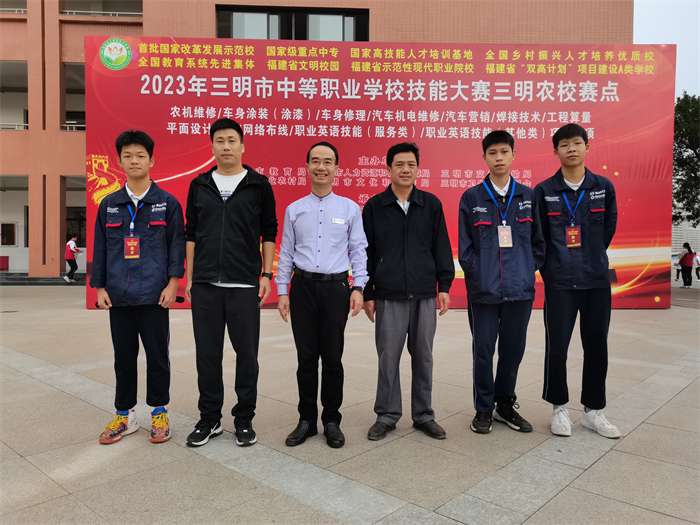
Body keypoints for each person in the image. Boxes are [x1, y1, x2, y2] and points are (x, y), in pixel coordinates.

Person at [185, 118, 278, 448]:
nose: (226, 146)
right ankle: (210, 418)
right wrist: (190, 276)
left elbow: (269, 230)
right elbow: (191, 231)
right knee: (207, 355)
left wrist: (266, 275)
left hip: (244, 284)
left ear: (242, 146)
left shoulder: (258, 184)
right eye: (220, 141)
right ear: (212, 146)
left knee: (246, 355)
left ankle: (243, 419)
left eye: (231, 140)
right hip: (206, 284)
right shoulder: (199, 184)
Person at [91, 129, 185, 444]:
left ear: (151, 161)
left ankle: (159, 412)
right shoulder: (108, 204)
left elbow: (176, 246)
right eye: (128, 156)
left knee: (158, 357)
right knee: (123, 357)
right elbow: (100, 248)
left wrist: (173, 283)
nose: (134, 161)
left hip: (155, 295)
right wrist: (99, 287)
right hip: (118, 295)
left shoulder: (167, 203)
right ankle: (125, 415)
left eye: (140, 156)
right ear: (119, 161)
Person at [276, 142, 368, 449]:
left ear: (336, 169)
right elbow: (286, 253)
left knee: (332, 357)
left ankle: (331, 420)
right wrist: (282, 291)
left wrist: (358, 287)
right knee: (305, 359)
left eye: (328, 162)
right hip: (302, 288)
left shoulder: (349, 209)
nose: (321, 167)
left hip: (335, 289)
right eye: (315, 161)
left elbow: (358, 251)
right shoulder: (295, 209)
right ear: (307, 167)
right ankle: (306, 420)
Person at [362, 142, 454, 442]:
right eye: (399, 164)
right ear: (388, 168)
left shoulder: (431, 204)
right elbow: (366, 253)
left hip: (424, 293)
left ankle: (424, 415)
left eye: (411, 164)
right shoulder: (375, 207)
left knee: (424, 357)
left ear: (418, 168)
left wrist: (444, 286)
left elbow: (441, 248)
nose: (405, 170)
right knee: (388, 358)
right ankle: (387, 415)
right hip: (388, 295)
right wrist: (368, 292)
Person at [535, 123, 620, 439]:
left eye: (577, 143)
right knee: (557, 347)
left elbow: (607, 229)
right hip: (559, 282)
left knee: (597, 345)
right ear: (555, 151)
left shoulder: (603, 187)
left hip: (596, 279)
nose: (571, 149)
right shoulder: (544, 191)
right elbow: (540, 237)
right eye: (564, 144)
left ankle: (593, 411)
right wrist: (552, 269)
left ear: (587, 147)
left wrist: (591, 257)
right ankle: (559, 408)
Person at [458, 131, 545, 434]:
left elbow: (539, 243)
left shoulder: (529, 197)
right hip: (483, 290)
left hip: (520, 289)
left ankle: (505, 404)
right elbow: (465, 248)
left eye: (504, 152)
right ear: (484, 157)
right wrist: (478, 274)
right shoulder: (472, 197)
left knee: (513, 349)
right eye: (492, 153)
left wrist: (526, 270)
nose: (498, 158)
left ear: (513, 155)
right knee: (483, 350)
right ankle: (483, 408)